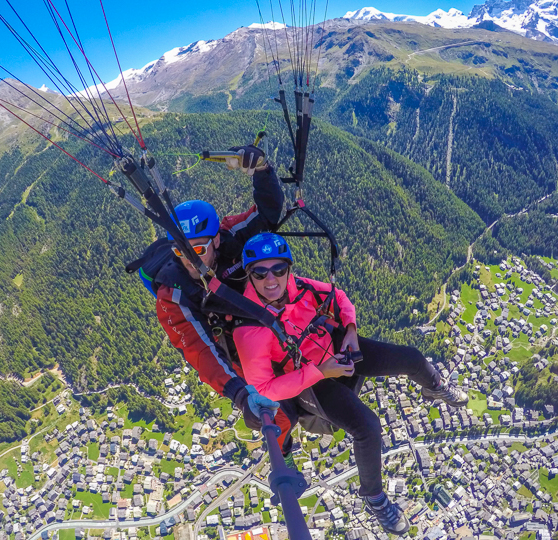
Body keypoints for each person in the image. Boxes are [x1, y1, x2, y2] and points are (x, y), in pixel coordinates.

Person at [232, 232, 469, 536]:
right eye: (260, 272)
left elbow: (339, 297)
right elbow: (263, 389)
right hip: (307, 380)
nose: (271, 279)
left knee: (410, 357)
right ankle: (374, 497)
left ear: (288, 268)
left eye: (278, 269)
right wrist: (321, 372)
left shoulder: (300, 287)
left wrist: (351, 331)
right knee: (367, 427)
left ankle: (434, 386)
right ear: (249, 276)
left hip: (336, 349)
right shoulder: (250, 329)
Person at [128, 146, 297, 449]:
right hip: (230, 345)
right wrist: (240, 394)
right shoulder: (173, 292)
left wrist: (262, 170)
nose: (191, 261)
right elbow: (199, 350)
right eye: (181, 251)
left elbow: (267, 214)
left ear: (217, 239)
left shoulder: (232, 237)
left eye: (199, 250)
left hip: (256, 322)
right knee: (282, 414)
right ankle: (283, 449)